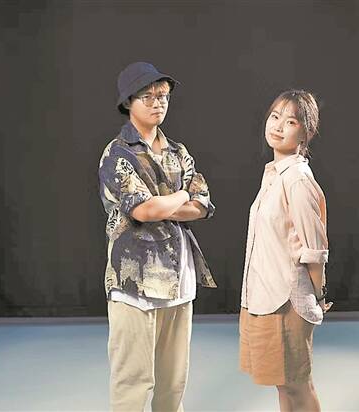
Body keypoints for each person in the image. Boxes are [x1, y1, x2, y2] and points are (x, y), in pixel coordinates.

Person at [98, 61, 216, 412]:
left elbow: (204, 205)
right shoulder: (117, 153)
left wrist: (167, 203)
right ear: (128, 102)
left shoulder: (179, 152)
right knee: (133, 383)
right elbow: (144, 211)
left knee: (173, 383)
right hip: (134, 283)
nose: (157, 102)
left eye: (163, 95)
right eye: (147, 96)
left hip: (179, 281)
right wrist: (182, 195)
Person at [239, 90, 332, 412]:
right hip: (265, 296)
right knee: (283, 383)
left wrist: (318, 296)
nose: (278, 126)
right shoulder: (274, 174)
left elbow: (315, 249)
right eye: (275, 116)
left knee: (297, 384)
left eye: (291, 121)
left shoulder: (296, 180)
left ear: (306, 133)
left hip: (286, 299)